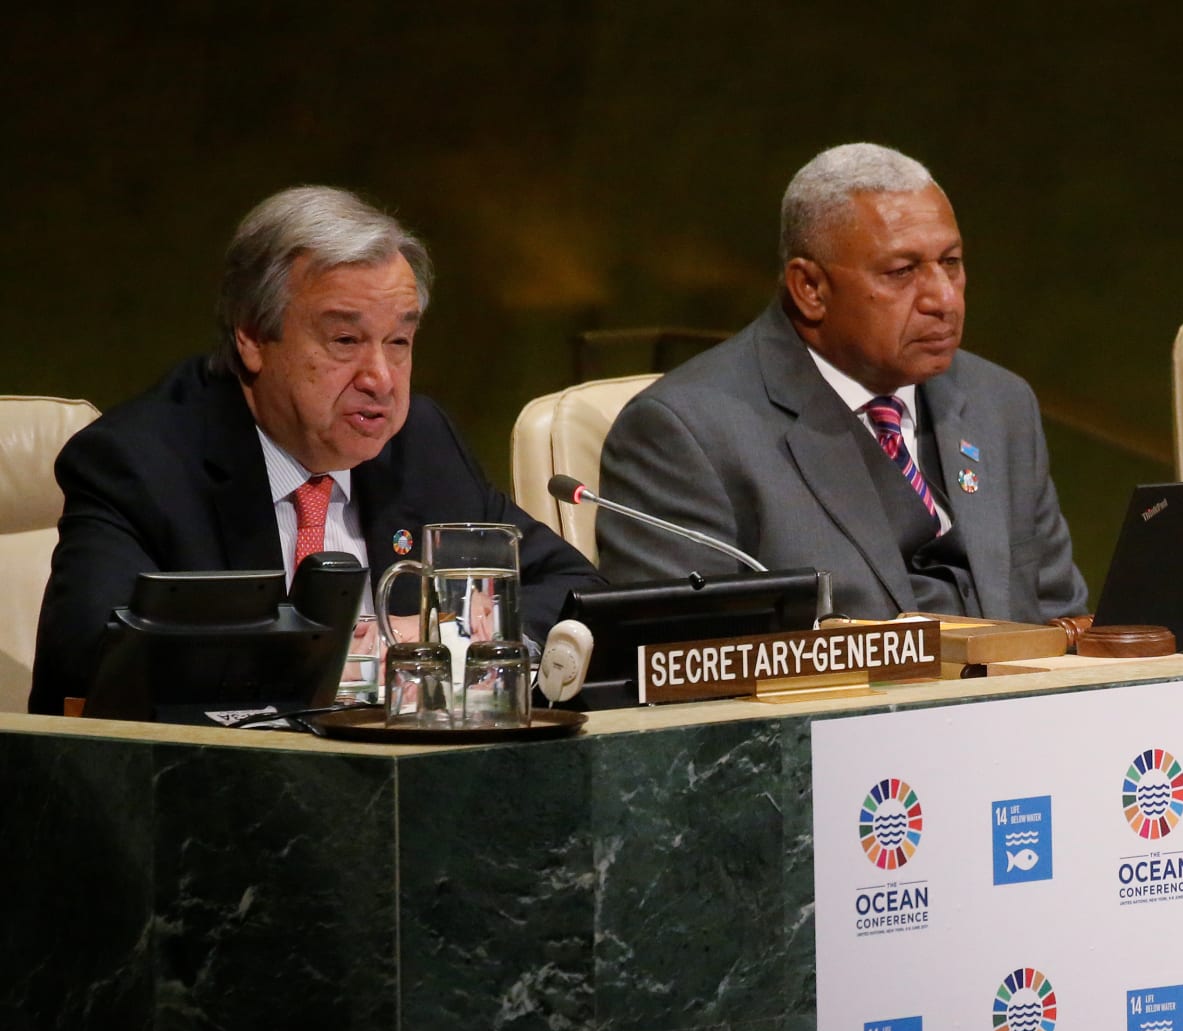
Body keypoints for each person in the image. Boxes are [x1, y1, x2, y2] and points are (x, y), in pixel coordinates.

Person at [28, 186, 601, 715]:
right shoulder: (139, 462)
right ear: (252, 336)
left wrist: (441, 637)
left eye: (399, 342)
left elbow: (576, 590)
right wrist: (329, 654)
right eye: (345, 340)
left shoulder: (420, 443)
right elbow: (89, 656)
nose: (380, 378)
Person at [595, 142, 1087, 622]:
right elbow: (685, 657)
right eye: (902, 271)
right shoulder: (684, 434)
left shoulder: (1000, 402)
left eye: (951, 263)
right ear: (810, 288)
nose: (944, 299)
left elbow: (1061, 620)